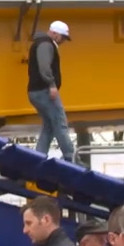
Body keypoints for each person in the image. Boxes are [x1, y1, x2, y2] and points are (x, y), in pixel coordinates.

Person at [27, 20, 76, 161]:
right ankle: (69, 157)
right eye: (62, 37)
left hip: (36, 91)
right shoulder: (46, 44)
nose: (63, 41)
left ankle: (38, 157)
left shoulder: (40, 43)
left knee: (48, 126)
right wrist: (52, 85)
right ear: (54, 33)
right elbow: (44, 67)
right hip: (44, 91)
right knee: (60, 123)